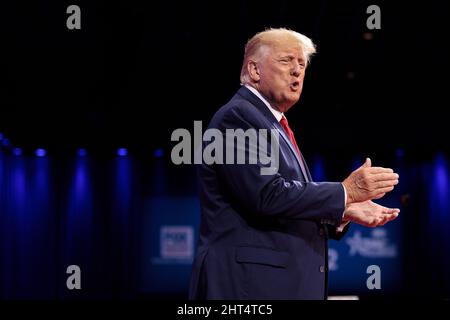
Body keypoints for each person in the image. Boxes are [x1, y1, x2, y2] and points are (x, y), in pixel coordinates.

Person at [189, 28, 400, 300]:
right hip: (248, 288)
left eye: (302, 64)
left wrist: (343, 210)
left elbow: (285, 206)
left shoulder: (271, 123)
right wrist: (345, 192)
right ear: (254, 70)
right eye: (286, 60)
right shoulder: (237, 118)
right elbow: (267, 194)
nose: (297, 71)